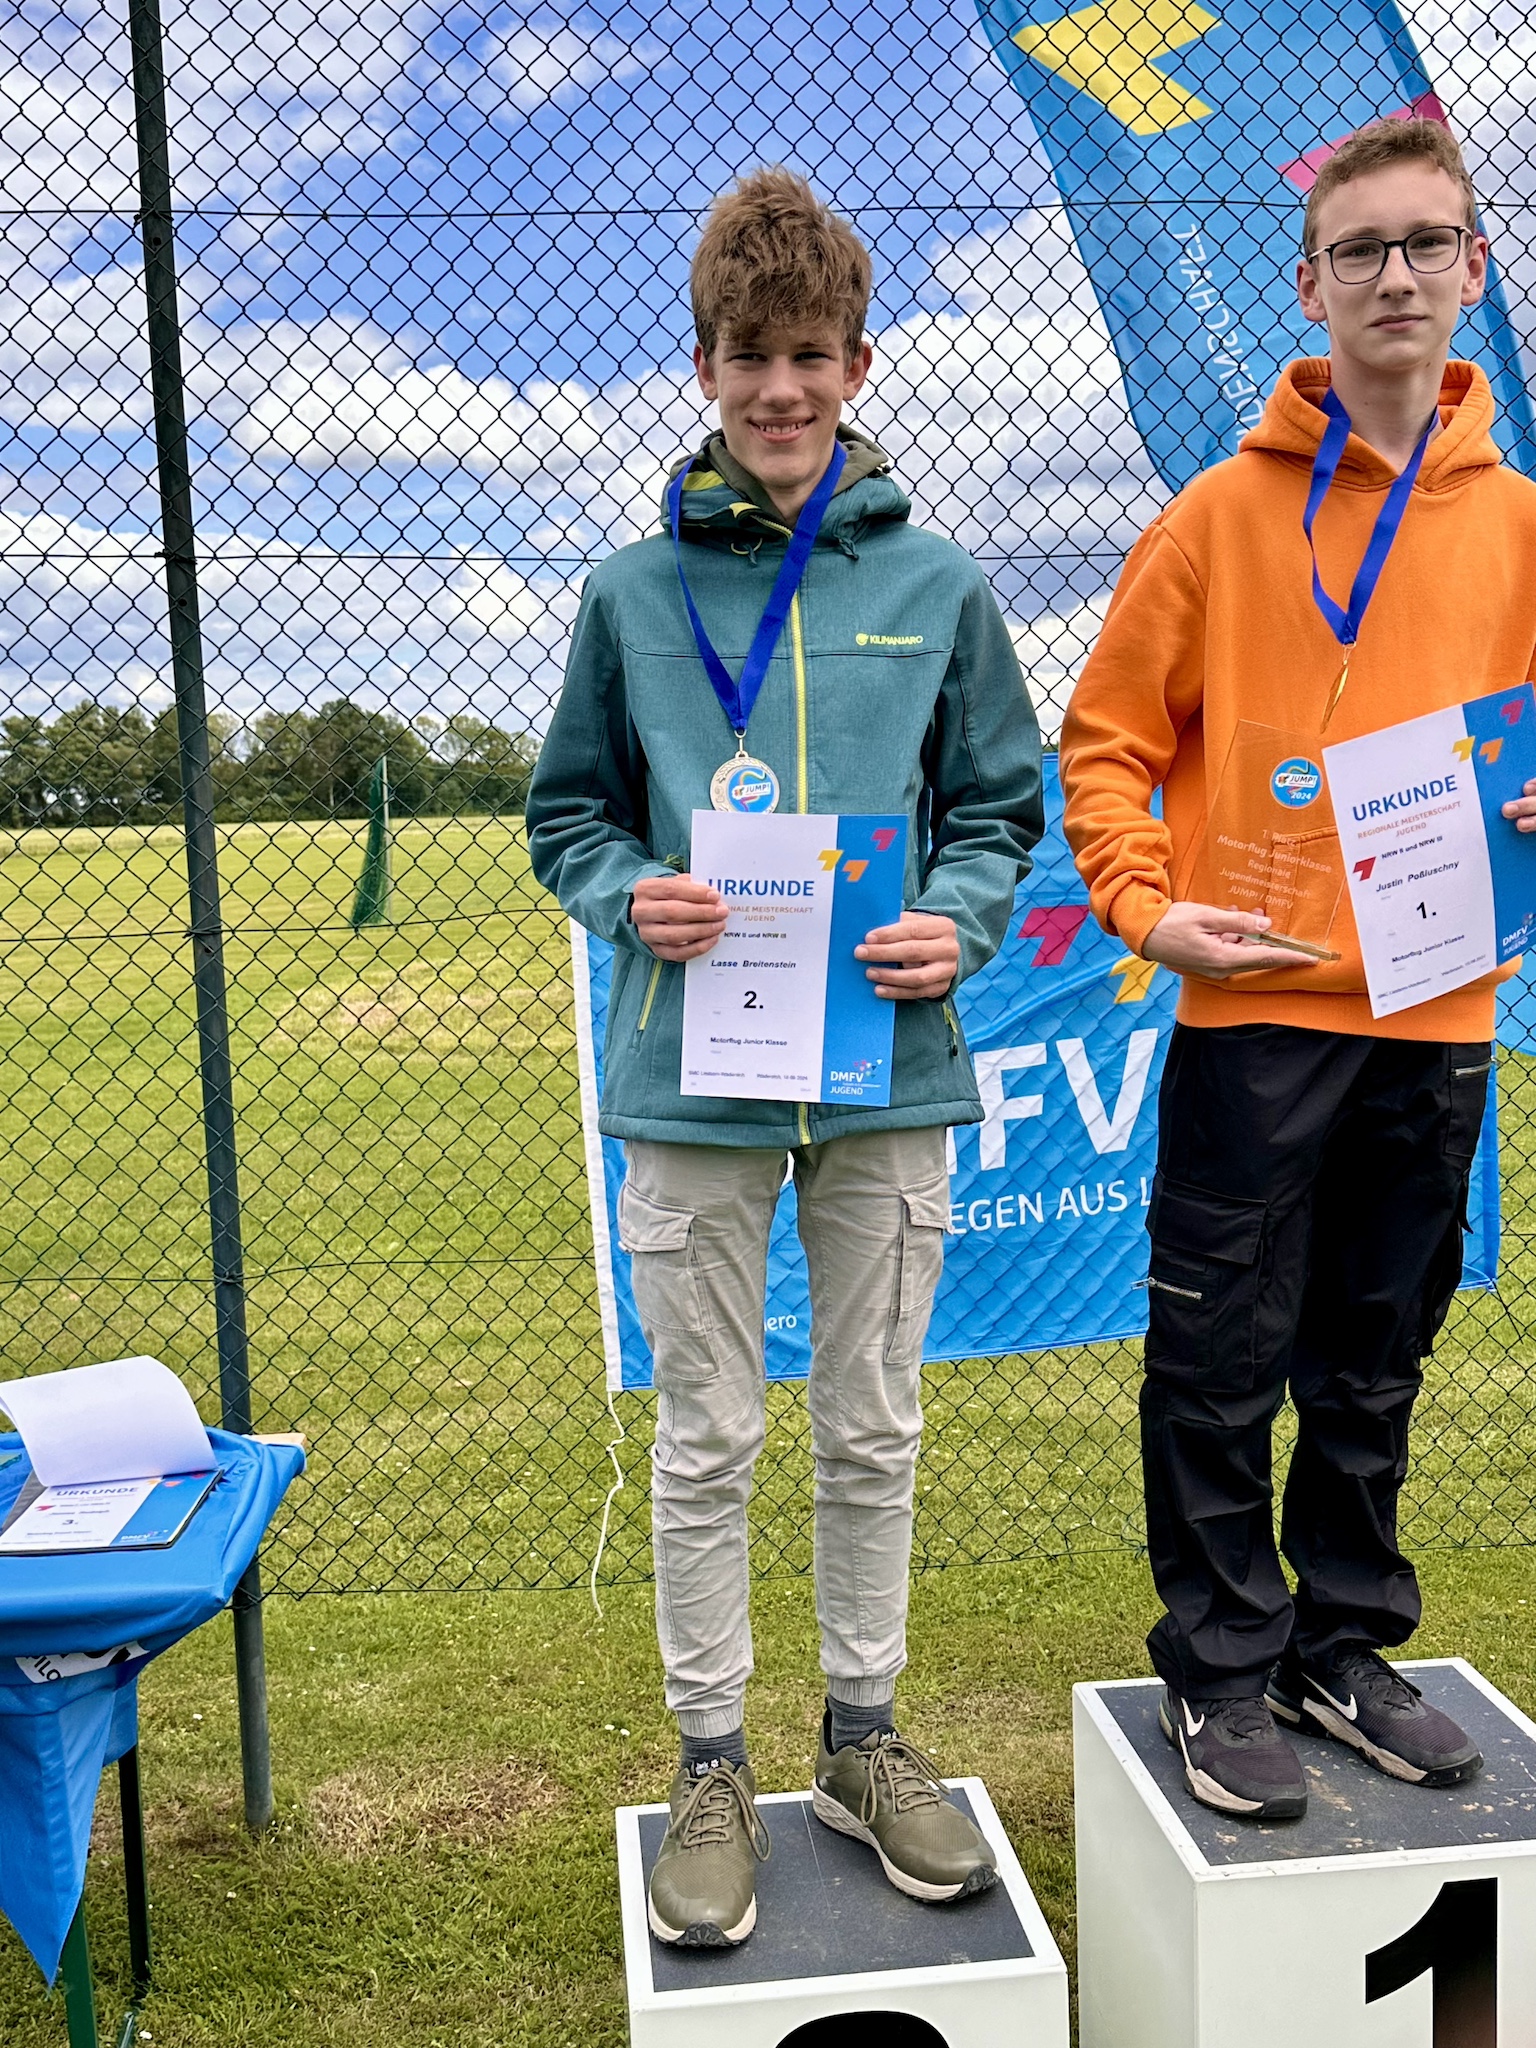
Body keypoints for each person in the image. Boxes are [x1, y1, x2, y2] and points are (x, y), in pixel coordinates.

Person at [527, 167, 1042, 1942]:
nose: (780, 389)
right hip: (695, 1083)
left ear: (858, 363)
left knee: (874, 1426)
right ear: (705, 366)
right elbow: (569, 816)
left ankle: (863, 1741)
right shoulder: (627, 594)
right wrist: (630, 896)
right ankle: (710, 1765)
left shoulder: (940, 585)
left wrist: (957, 922)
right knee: (707, 1437)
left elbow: (999, 810)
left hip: (885, 1069)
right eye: (749, 356)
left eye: (812, 355)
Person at [1061, 116, 1536, 1822]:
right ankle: (1220, 1668)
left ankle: (1342, 1645)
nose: (1394, 275)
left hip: (1438, 1010)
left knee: (1372, 1358)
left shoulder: (1524, 525)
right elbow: (1108, 743)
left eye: (1425, 244)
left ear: (1474, 268)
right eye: (1360, 250)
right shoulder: (1218, 515)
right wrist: (1144, 909)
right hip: (1253, 1007)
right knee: (1217, 1359)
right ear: (1309, 282)